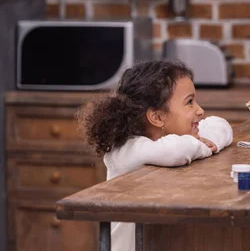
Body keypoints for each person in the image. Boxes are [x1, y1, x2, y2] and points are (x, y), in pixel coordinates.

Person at [77, 60, 233, 251]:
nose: (200, 110)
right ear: (157, 117)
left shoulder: (181, 140)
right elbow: (176, 150)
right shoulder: (123, 152)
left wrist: (210, 143)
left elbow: (220, 124)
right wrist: (201, 145)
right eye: (189, 102)